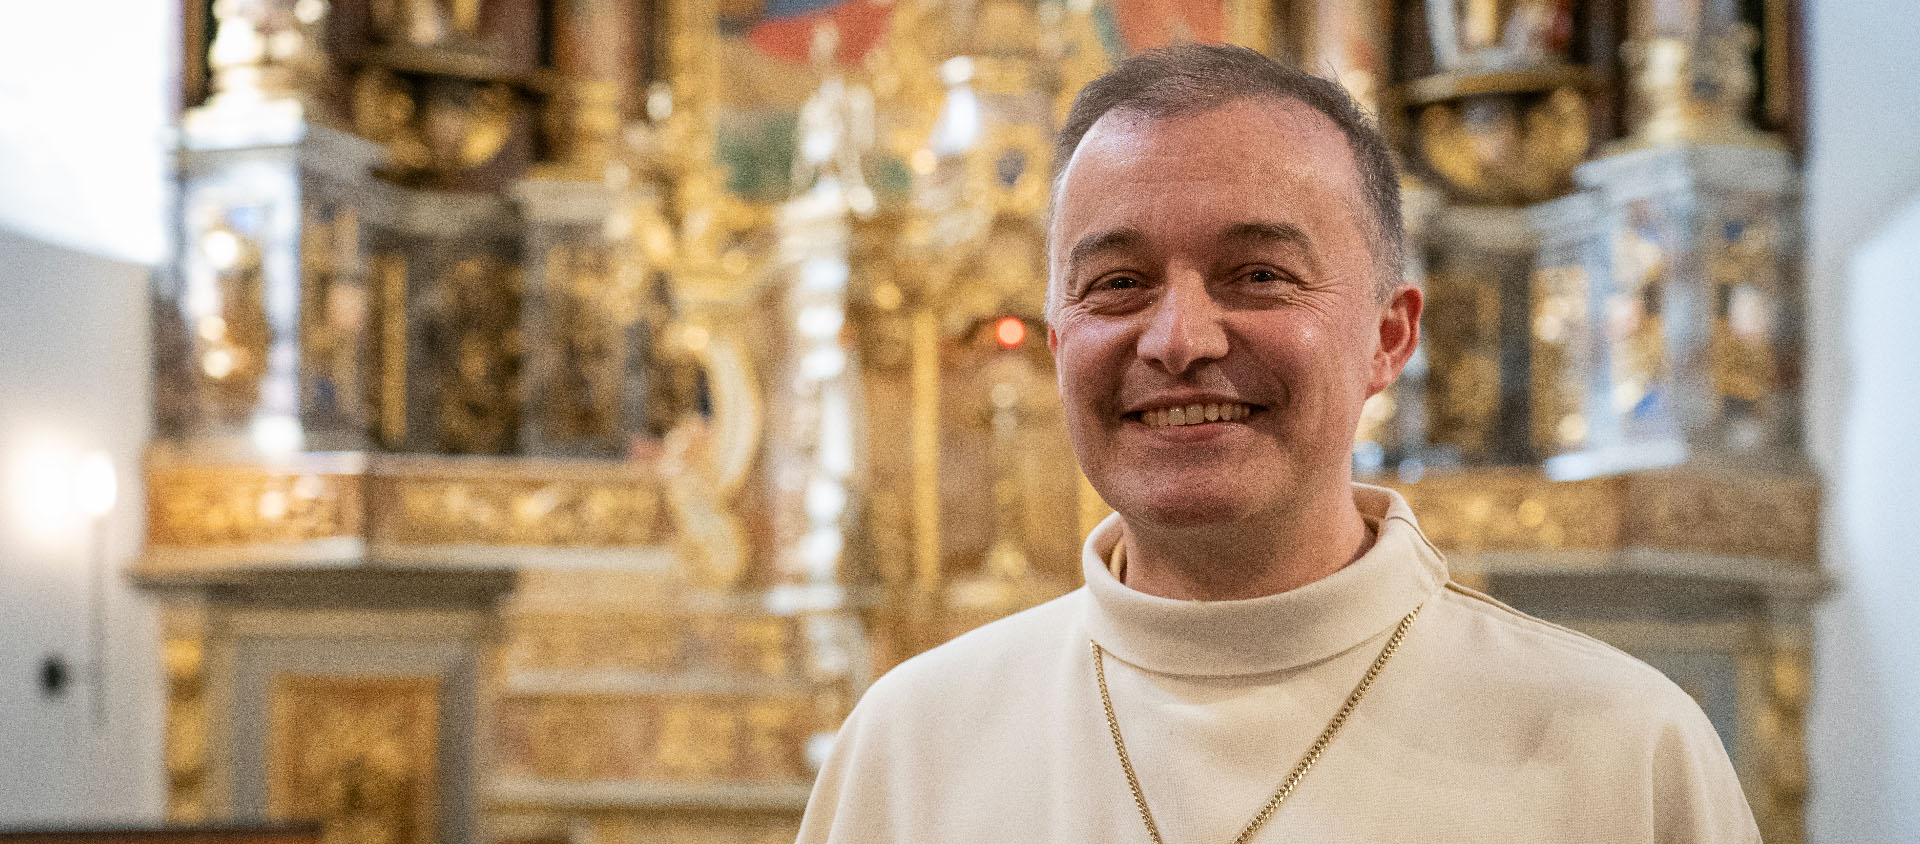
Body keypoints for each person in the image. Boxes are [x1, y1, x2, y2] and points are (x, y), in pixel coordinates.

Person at [795, 44, 1758, 843]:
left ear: (1390, 338)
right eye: (1118, 283)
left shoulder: (1625, 751)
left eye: (1258, 274)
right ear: (1058, 345)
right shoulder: (911, 746)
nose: (1179, 339)